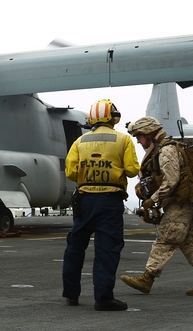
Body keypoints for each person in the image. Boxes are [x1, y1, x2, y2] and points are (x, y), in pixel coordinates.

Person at [120, 116, 193, 296]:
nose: (138, 140)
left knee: (166, 237)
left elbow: (171, 181)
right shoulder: (163, 148)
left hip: (179, 204)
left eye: (140, 136)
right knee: (190, 243)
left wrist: (153, 199)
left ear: (149, 133)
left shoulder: (166, 150)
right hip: (181, 203)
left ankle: (147, 278)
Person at [60, 100, 139, 311]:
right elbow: (132, 170)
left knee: (75, 247)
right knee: (107, 250)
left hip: (85, 200)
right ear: (113, 117)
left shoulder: (80, 141)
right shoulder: (123, 140)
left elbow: (70, 173)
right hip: (110, 200)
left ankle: (71, 294)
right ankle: (103, 298)